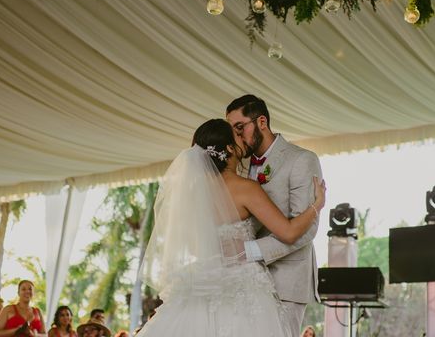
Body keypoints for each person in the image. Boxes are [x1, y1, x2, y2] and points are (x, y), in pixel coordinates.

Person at [135, 119, 326, 337]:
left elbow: (193, 245)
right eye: (236, 135)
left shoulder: (192, 194)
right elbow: (289, 232)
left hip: (201, 283)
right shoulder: (244, 188)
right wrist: (315, 206)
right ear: (228, 148)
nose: (242, 138)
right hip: (243, 283)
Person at [226, 95, 323, 335]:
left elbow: (307, 230)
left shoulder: (302, 159)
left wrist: (247, 252)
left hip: (286, 281)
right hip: (246, 281)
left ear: (261, 122)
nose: (236, 137)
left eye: (240, 127)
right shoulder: (239, 164)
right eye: (232, 130)